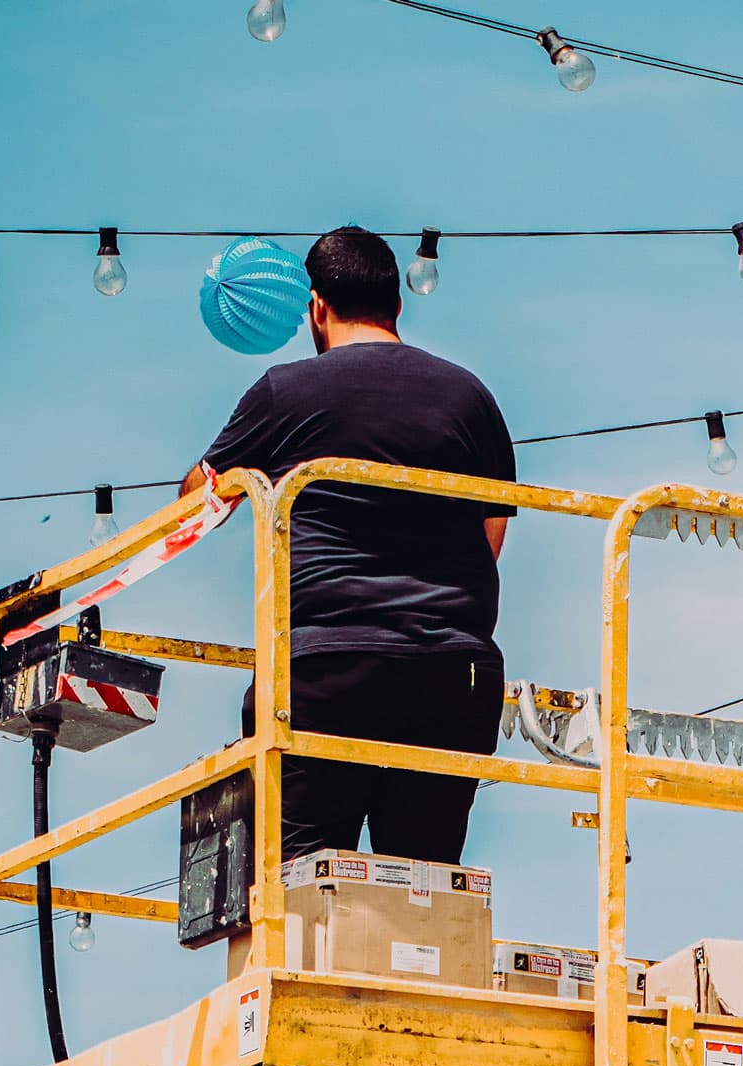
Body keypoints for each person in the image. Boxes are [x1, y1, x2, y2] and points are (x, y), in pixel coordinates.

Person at [182, 225, 515, 866]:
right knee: (426, 892)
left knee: (302, 893)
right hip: (452, 673)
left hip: (322, 671)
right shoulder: (470, 397)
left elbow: (199, 508)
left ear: (316, 307)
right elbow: (490, 536)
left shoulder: (285, 391)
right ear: (396, 304)